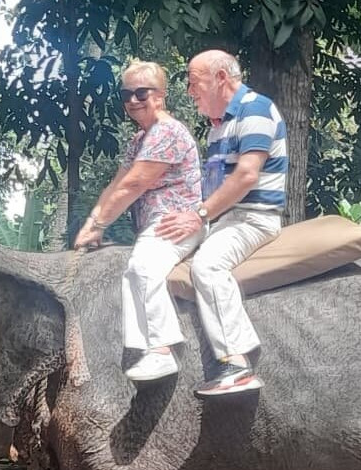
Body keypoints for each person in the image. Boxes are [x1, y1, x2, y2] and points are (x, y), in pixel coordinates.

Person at [156, 49, 288, 397]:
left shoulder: (256, 109)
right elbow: (214, 190)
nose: (188, 91)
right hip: (225, 220)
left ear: (220, 78)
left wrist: (197, 216)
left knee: (208, 266)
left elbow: (246, 177)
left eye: (193, 81)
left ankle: (237, 364)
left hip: (253, 219)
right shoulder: (218, 127)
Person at [74, 60, 203, 382]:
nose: (133, 100)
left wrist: (100, 225)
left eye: (141, 92)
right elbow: (117, 184)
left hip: (174, 222)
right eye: (126, 94)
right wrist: (91, 223)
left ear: (160, 95)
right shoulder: (138, 140)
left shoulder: (167, 132)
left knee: (142, 268)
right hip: (152, 225)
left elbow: (134, 186)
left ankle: (163, 349)